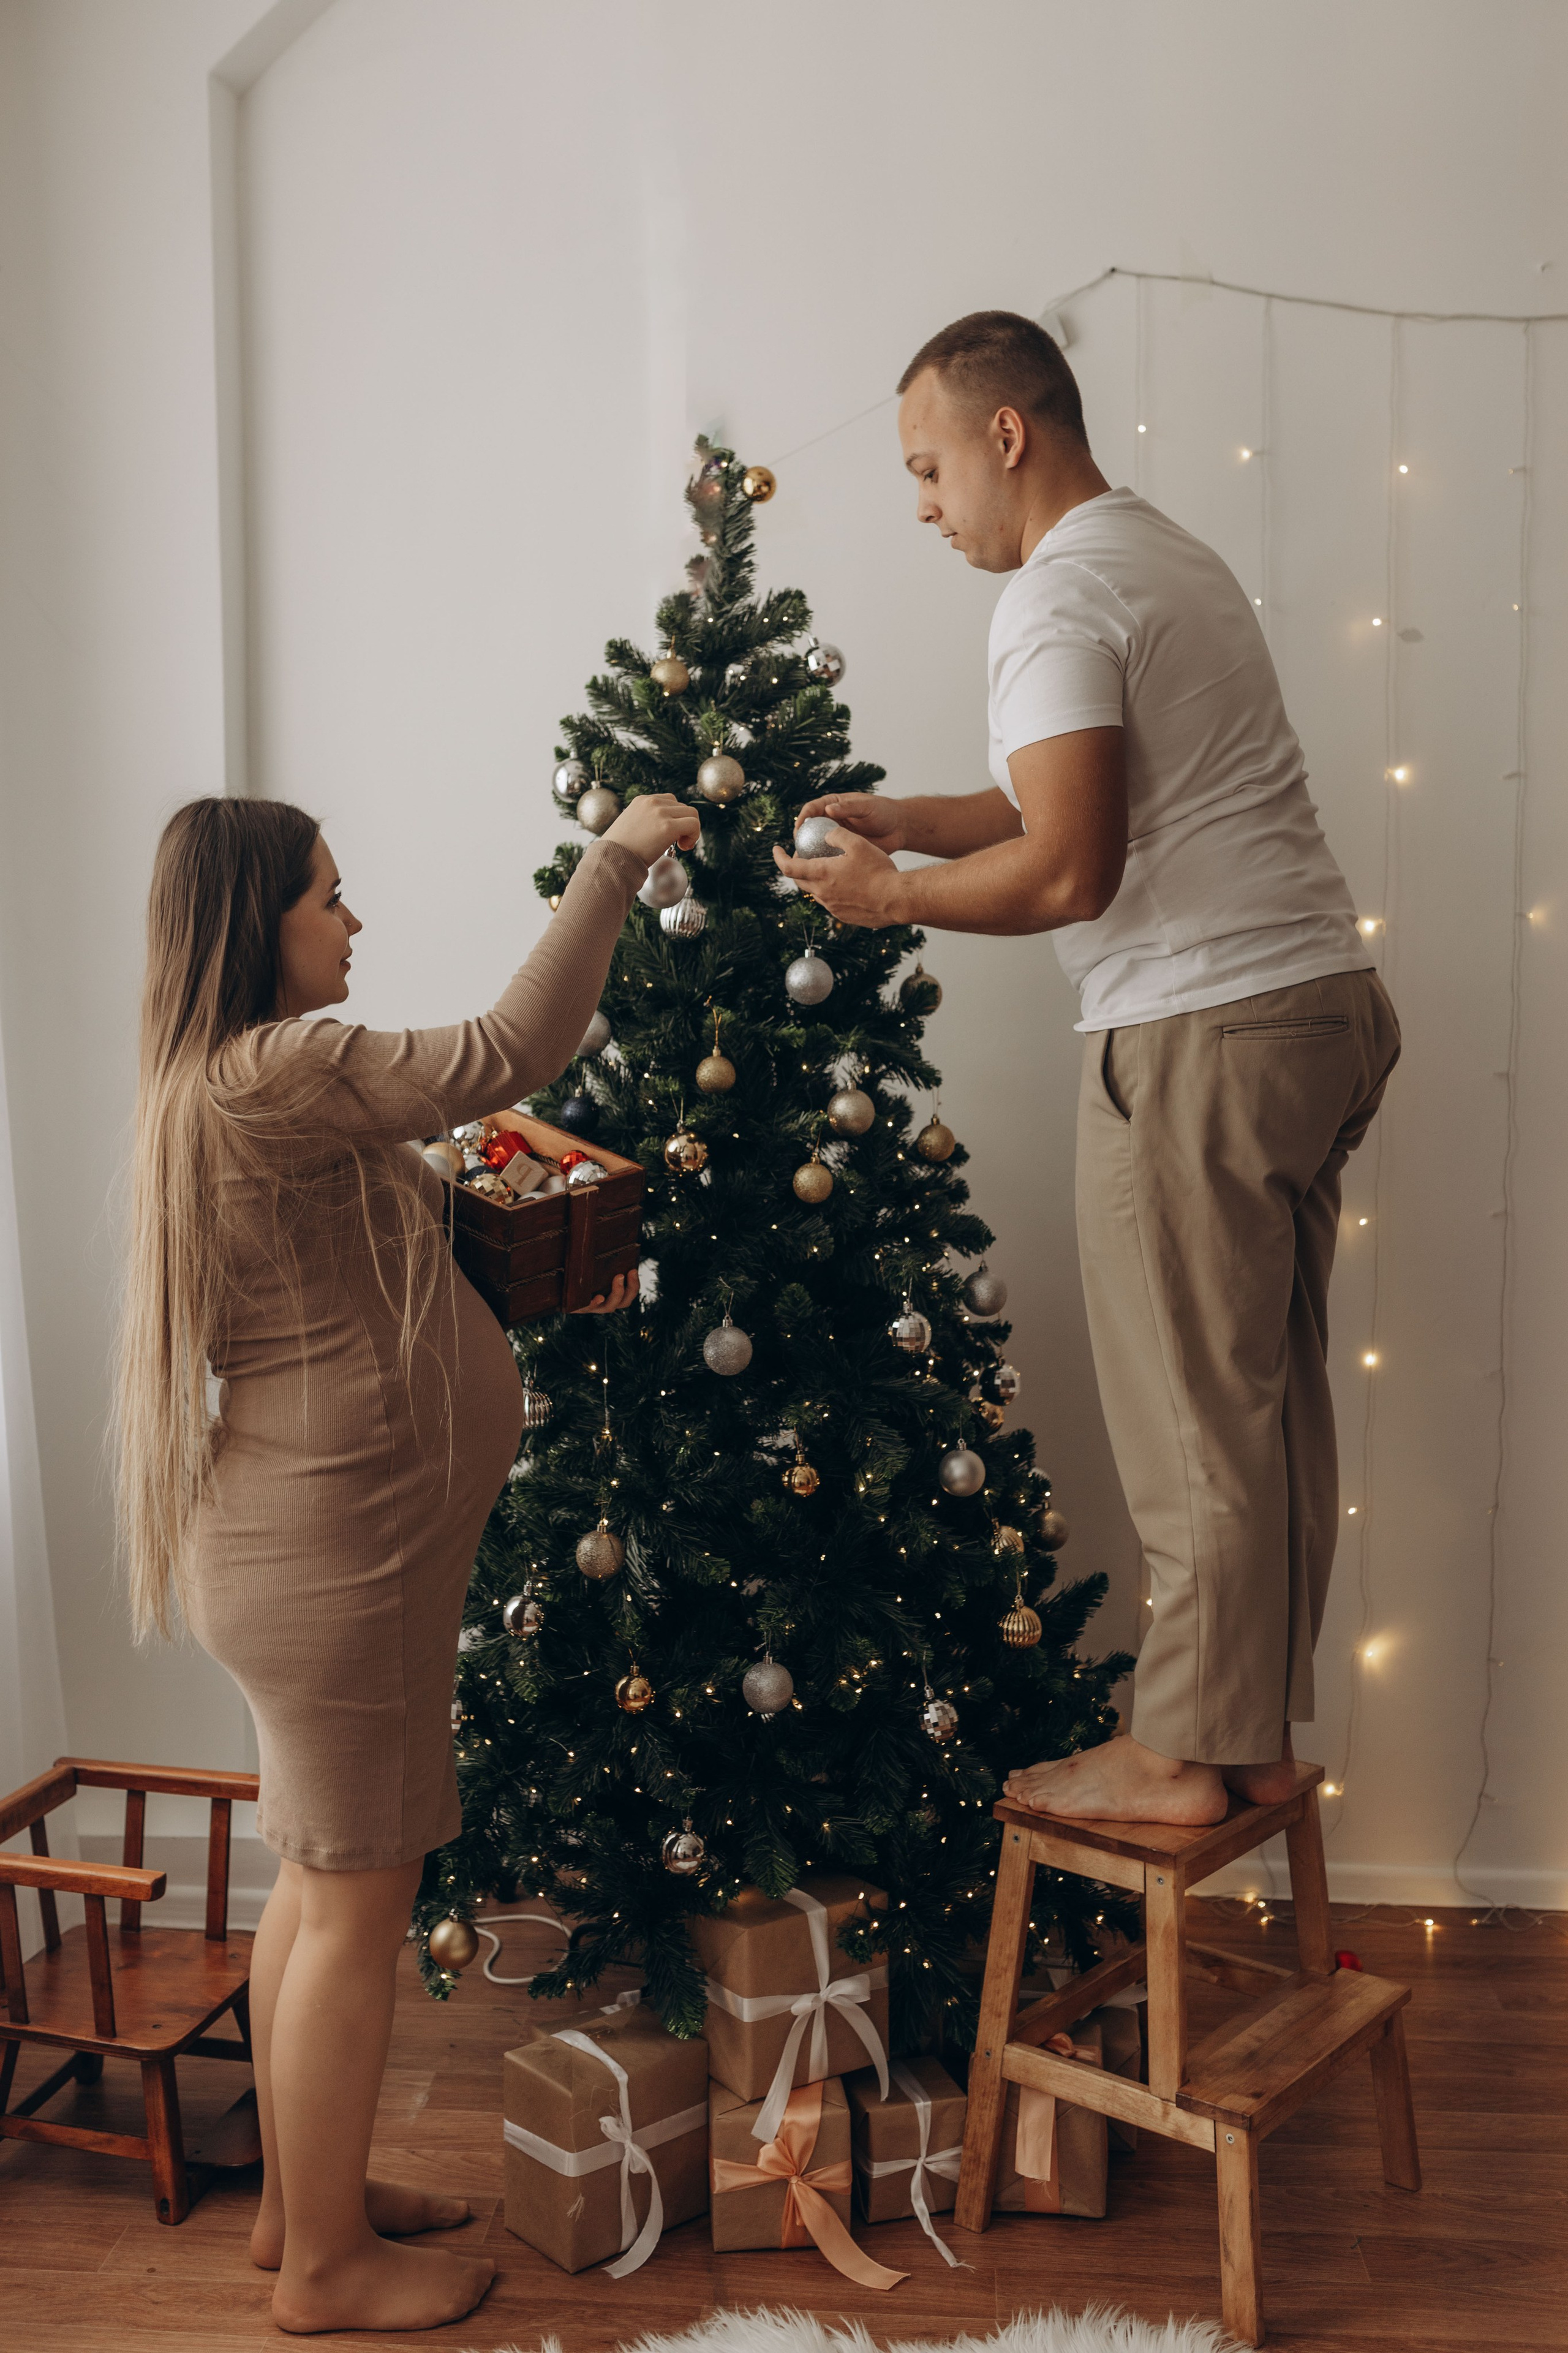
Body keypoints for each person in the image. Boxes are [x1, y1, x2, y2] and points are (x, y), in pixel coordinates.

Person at [777, 309, 1400, 1830]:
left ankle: (1177, 1754)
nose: (922, 506)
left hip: (1198, 1029)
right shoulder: (1159, 553)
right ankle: (1246, 1735)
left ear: (1006, 433)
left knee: (1188, 1417)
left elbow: (1068, 866)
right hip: (1314, 1008)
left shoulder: (1053, 594)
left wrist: (889, 897)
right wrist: (917, 821)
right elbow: (1067, 793)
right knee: (1261, 1403)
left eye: (927, 468)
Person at [116, 788, 695, 2333]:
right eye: (327, 895)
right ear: (257, 924)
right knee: (357, 1909)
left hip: (314, 1553)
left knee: (317, 1890)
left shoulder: (236, 1085)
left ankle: (299, 2208)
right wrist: (615, 859)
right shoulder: (285, 1067)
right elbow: (510, 1049)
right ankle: (326, 2270)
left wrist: (538, 1243)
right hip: (335, 1563)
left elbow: (399, 1226)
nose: (352, 917)